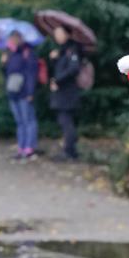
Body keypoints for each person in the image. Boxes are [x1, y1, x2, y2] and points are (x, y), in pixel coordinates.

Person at [1, 31, 39, 162]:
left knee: (28, 120)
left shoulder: (27, 53)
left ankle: (30, 147)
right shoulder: (10, 54)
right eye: (10, 38)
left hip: (24, 92)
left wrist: (30, 92)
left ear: (20, 38)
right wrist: (4, 64)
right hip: (13, 92)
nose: (11, 40)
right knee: (19, 121)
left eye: (13, 38)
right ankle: (21, 147)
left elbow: (31, 74)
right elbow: (7, 75)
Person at [48, 25, 83, 161]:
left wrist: (58, 80)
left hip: (68, 93)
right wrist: (54, 59)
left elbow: (73, 69)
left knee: (66, 121)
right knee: (65, 121)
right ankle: (70, 150)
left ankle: (69, 151)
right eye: (55, 33)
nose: (57, 36)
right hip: (61, 93)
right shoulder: (61, 51)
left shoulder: (72, 49)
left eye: (60, 33)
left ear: (67, 34)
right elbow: (57, 69)